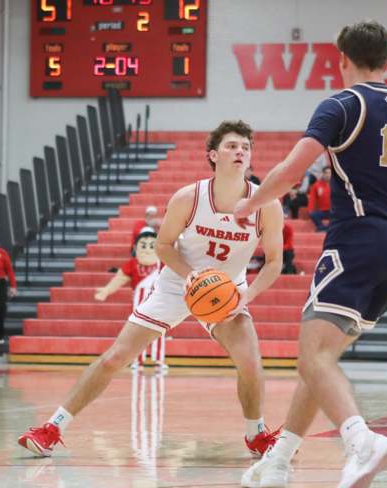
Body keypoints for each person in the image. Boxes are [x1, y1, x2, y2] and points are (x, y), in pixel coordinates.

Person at [233, 21, 387, 488]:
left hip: (357, 241)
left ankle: (360, 441)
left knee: (311, 355)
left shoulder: (342, 105)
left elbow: (291, 169)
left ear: (341, 58)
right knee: (322, 359)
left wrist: (246, 206)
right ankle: (279, 460)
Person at [18, 120, 286, 459]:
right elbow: (163, 246)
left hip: (228, 290)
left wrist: (246, 297)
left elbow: (274, 261)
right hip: (178, 284)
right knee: (115, 357)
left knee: (250, 362)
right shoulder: (189, 198)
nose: (240, 152)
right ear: (213, 155)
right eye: (232, 146)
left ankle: (256, 434)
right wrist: (191, 276)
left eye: (245, 147)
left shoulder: (267, 206)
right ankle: (53, 427)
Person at [94, 227, 165, 371]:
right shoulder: (132, 264)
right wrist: (106, 290)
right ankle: (137, 361)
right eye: (143, 245)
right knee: (136, 334)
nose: (147, 249)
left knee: (159, 332)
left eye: (151, 245)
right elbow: (120, 278)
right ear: (136, 247)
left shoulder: (162, 263)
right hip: (139, 303)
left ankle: (159, 361)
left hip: (158, 301)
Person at [307, 166, 332, 231]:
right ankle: (322, 227)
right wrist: (310, 210)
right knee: (313, 214)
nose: (328, 175)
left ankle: (327, 228)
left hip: (333, 210)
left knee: (340, 214)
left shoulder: (336, 185)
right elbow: (312, 199)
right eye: (326, 173)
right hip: (322, 211)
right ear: (323, 174)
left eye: (329, 173)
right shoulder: (316, 185)